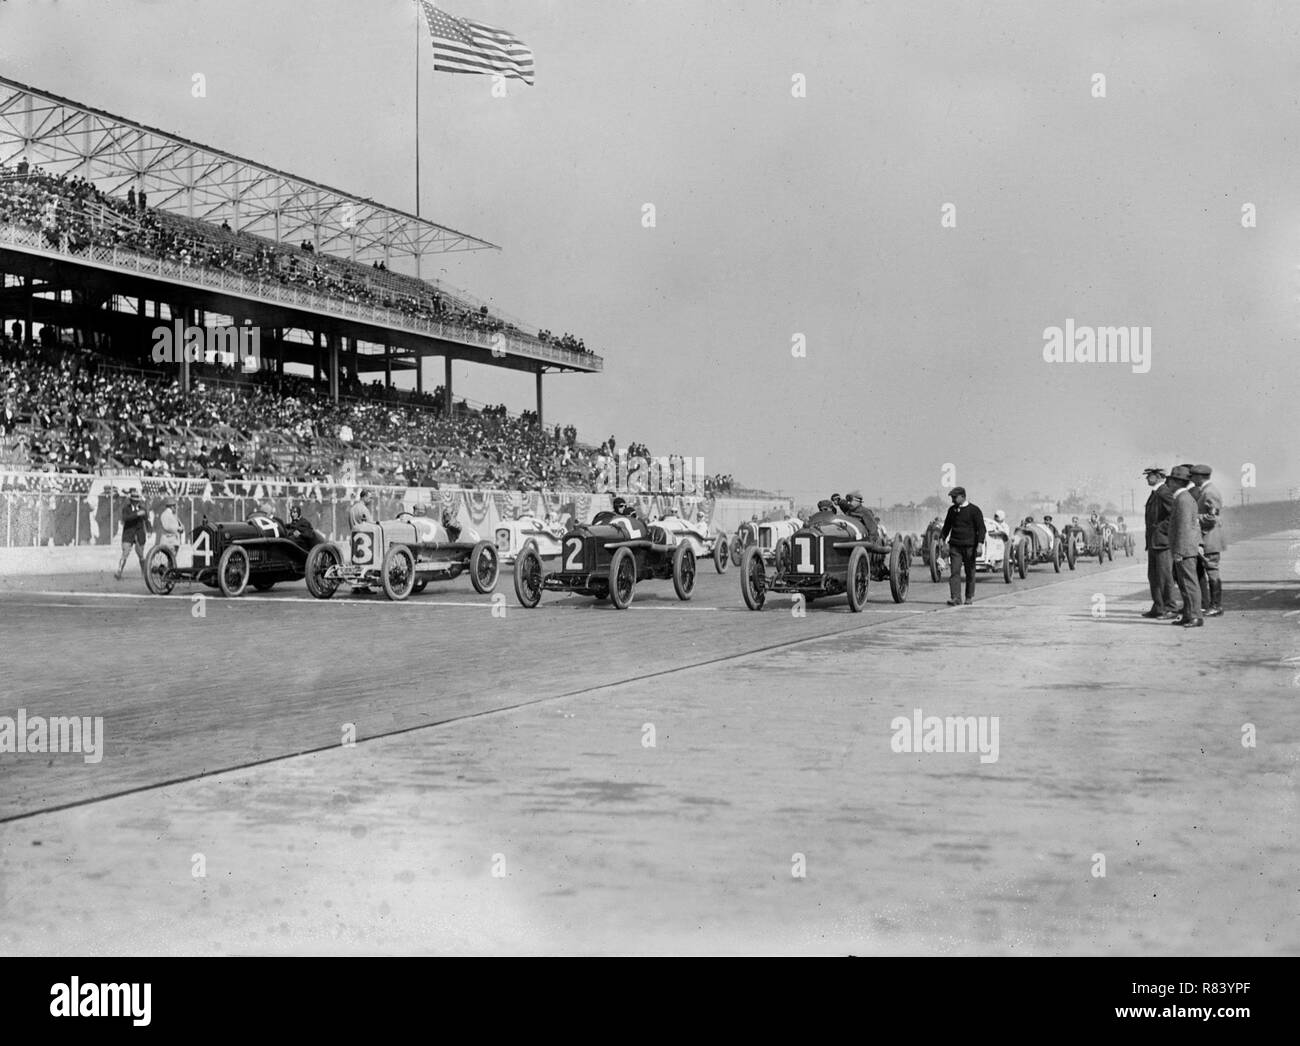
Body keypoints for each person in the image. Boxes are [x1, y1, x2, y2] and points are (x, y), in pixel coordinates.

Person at [1167, 465, 1204, 627]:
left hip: (1185, 550)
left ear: (1176, 482)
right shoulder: (1184, 498)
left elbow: (1183, 528)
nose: (1168, 483)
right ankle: (1189, 615)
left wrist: (1179, 551)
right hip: (1186, 548)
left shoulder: (1182, 500)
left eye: (1170, 480)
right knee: (1185, 583)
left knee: (1189, 583)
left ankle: (1195, 616)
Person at [1141, 467, 1177, 619]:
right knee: (1154, 576)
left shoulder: (1164, 492)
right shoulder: (1156, 492)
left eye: (1149, 476)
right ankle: (1158, 607)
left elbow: (1174, 516)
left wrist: (1160, 530)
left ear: (1158, 476)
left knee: (1165, 576)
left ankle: (1170, 608)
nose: (1147, 479)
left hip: (1162, 543)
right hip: (1154, 542)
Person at [940, 486, 985, 606]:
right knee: (954, 572)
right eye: (952, 498)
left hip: (970, 546)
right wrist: (942, 538)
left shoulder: (974, 510)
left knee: (970, 572)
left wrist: (979, 545)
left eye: (954, 497)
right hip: (955, 546)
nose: (952, 500)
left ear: (963, 497)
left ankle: (969, 597)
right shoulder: (952, 510)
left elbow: (981, 529)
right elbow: (946, 527)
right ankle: (956, 598)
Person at [1190, 464, 1224, 617]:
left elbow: (1212, 517)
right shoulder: (1205, 491)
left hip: (1209, 538)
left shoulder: (1210, 492)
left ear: (1199, 477)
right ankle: (1210, 605)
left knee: (1212, 572)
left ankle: (1216, 606)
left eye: (1193, 476)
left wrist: (1193, 518)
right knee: (1209, 571)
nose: (1191, 479)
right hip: (1206, 537)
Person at [115, 486, 148, 580]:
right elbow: (125, 518)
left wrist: (149, 530)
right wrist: (137, 514)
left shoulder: (143, 509)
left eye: (137, 500)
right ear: (131, 500)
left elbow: (146, 520)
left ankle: (144, 573)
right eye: (134, 500)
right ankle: (119, 572)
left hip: (139, 533)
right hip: (128, 533)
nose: (136, 502)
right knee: (125, 552)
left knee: (141, 554)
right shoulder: (126, 509)